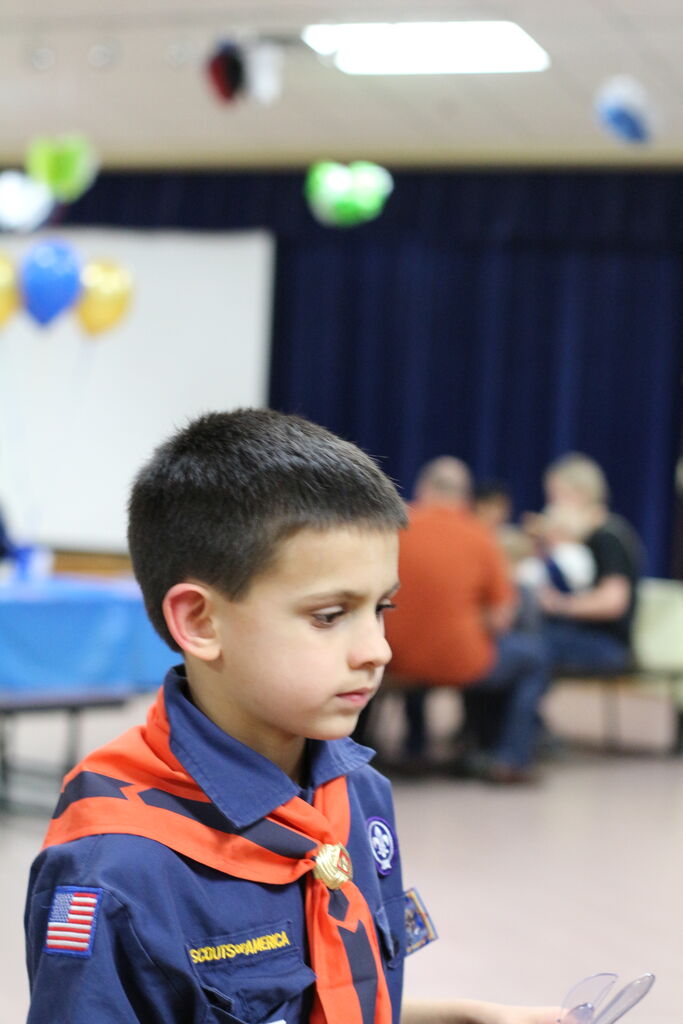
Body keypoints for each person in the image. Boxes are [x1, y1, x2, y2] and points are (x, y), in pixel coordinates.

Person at [24, 410, 555, 1024]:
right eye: (330, 615)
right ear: (200, 621)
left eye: (382, 608)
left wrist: (471, 1017)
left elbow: (329, 1001)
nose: (377, 649)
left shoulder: (356, 791)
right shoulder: (117, 866)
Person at [384, 457, 549, 782]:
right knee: (534, 657)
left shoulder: (393, 528)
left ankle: (414, 749)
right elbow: (501, 620)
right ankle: (510, 759)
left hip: (393, 660)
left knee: (413, 649)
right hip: (462, 663)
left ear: (423, 488)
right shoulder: (481, 536)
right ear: (465, 496)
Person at [535, 453, 642, 673]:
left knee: (529, 648)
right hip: (579, 635)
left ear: (580, 495)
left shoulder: (608, 536)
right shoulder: (581, 538)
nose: (551, 506)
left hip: (606, 645)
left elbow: (613, 602)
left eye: (556, 497)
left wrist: (559, 604)